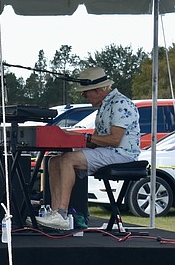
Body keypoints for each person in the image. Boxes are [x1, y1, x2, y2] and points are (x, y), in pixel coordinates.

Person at [36, 67, 140, 230]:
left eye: (86, 92)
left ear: (98, 90)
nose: (83, 95)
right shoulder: (104, 106)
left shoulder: (120, 103)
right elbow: (96, 141)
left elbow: (114, 140)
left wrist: (85, 138)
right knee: (54, 161)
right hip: (110, 151)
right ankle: (55, 213)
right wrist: (69, 135)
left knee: (68, 160)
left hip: (122, 155)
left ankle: (62, 215)